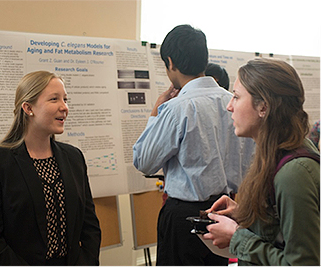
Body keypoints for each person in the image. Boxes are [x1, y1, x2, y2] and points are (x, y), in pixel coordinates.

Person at [133, 24, 255, 265]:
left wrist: (156, 111)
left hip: (183, 219)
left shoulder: (177, 107)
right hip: (226, 212)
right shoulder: (233, 102)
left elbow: (144, 162)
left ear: (170, 62)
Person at [0, 71, 101, 265]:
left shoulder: (73, 157)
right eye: (54, 99)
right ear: (28, 108)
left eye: (65, 99)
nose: (64, 107)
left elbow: (90, 225)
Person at [203, 58, 320, 265]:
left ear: (263, 107)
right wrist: (249, 214)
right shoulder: (279, 152)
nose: (229, 106)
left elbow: (303, 263)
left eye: (237, 97)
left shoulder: (294, 173)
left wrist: (237, 238)